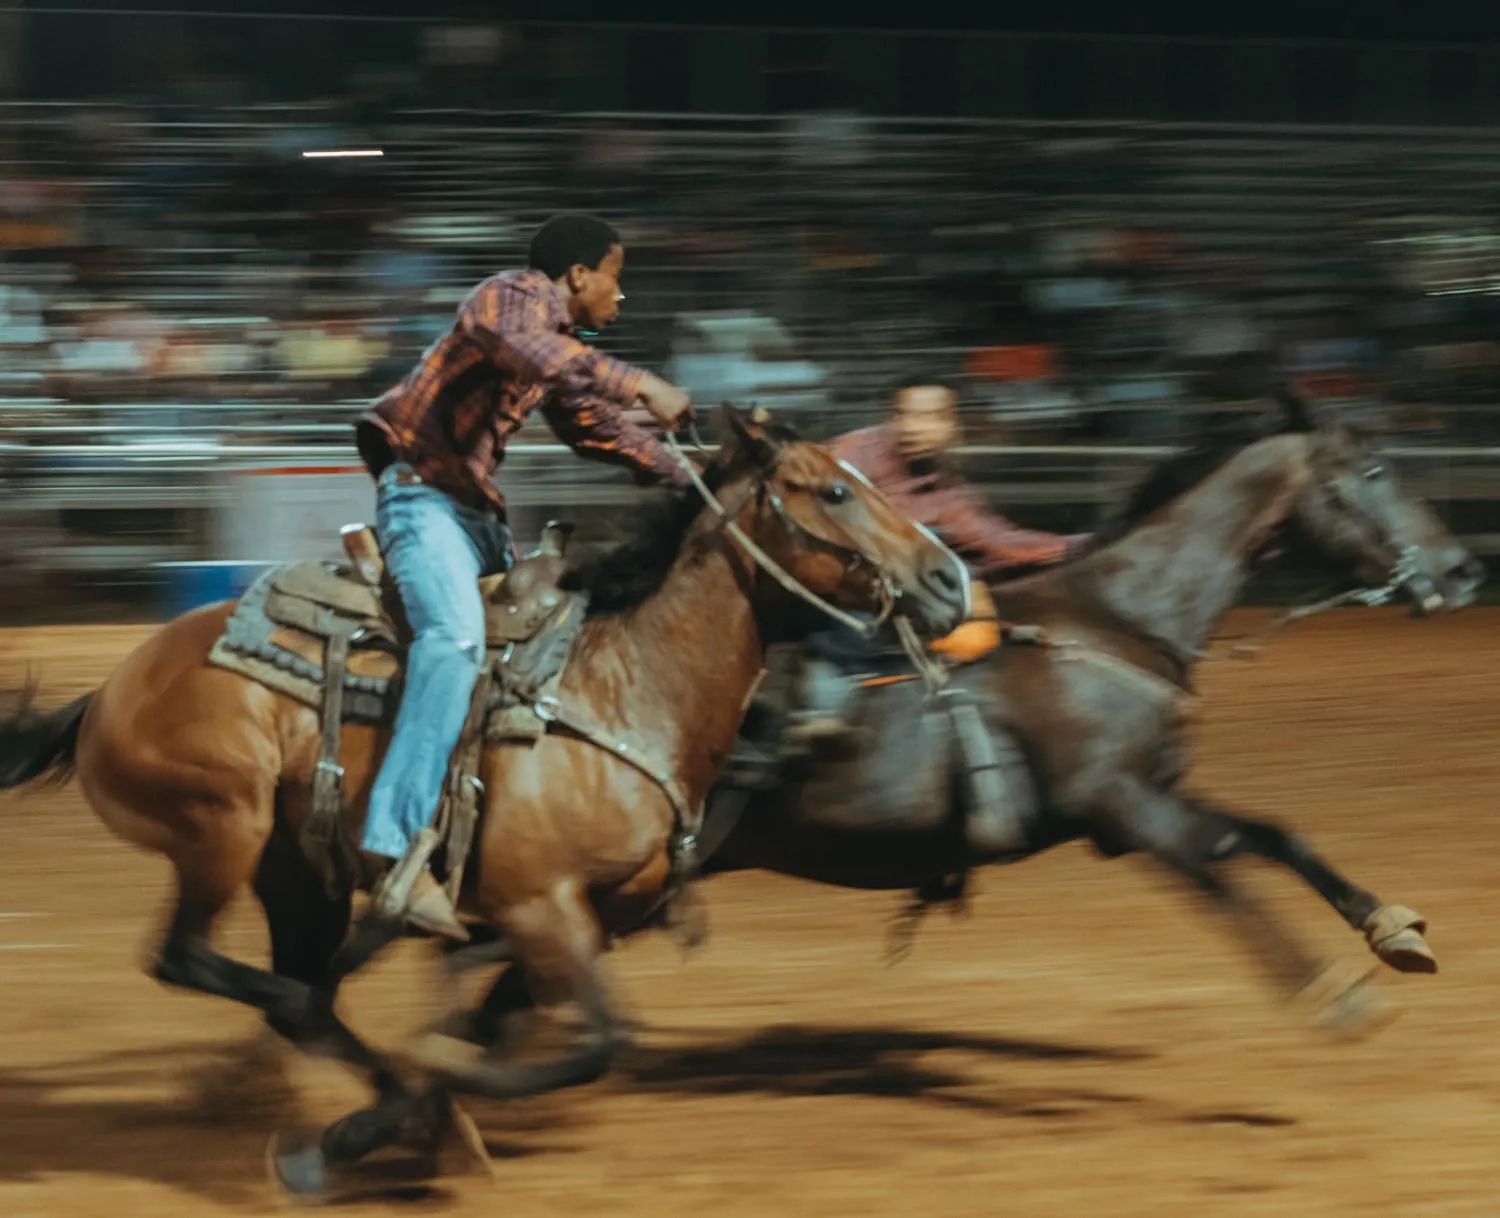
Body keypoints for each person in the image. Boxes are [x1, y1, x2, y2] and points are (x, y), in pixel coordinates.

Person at [353, 213, 693, 940]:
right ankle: (392, 847)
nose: (620, 297)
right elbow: (534, 353)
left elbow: (592, 424)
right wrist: (642, 383)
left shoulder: (561, 350)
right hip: (424, 499)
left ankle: (505, 834)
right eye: (616, 278)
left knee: (550, 653)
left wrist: (687, 470)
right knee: (452, 640)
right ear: (579, 277)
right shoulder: (508, 299)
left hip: (473, 516)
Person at [787, 373, 1087, 748]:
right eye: (905, 415)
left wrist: (1078, 546)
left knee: (969, 578)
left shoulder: (944, 486)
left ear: (951, 426)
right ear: (890, 418)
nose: (914, 428)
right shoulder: (850, 455)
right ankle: (824, 694)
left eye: (930, 417)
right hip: (819, 581)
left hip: (893, 589)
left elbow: (992, 539)